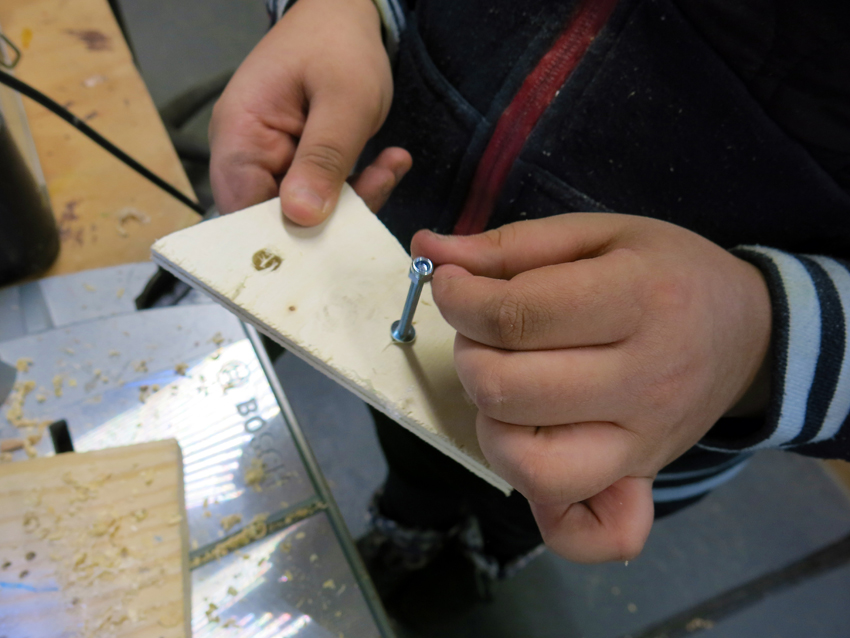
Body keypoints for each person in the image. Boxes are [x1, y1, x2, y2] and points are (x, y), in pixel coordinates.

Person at [208, 0, 850, 598]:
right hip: (395, 302)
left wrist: (758, 337)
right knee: (413, 447)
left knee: (538, 500)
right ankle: (410, 522)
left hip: (643, 409)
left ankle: (496, 550)